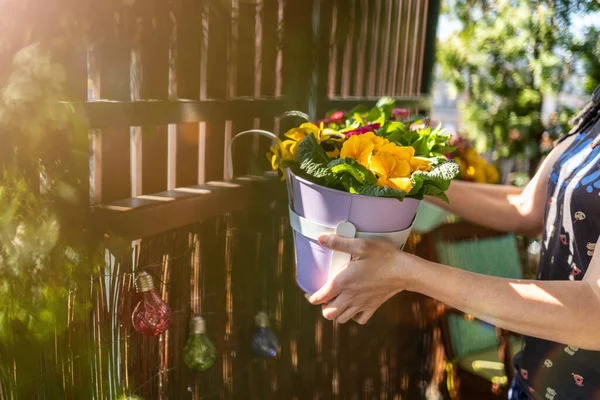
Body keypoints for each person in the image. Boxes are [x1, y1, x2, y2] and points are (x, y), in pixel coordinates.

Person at [305, 85, 600, 400]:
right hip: (533, 382)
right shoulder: (594, 116)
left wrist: (406, 272)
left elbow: (595, 311)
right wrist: (413, 177)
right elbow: (526, 207)